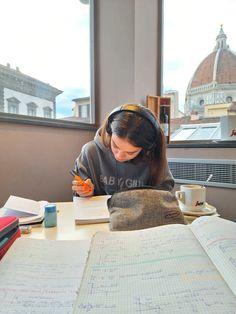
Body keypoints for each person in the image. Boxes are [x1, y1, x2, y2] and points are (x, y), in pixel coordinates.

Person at [72, 103, 174, 197]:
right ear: (109, 131)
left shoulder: (152, 156)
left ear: (147, 148)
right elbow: (79, 198)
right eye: (115, 145)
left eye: (130, 152)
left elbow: (165, 193)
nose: (119, 156)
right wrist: (85, 192)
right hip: (99, 215)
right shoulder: (91, 152)